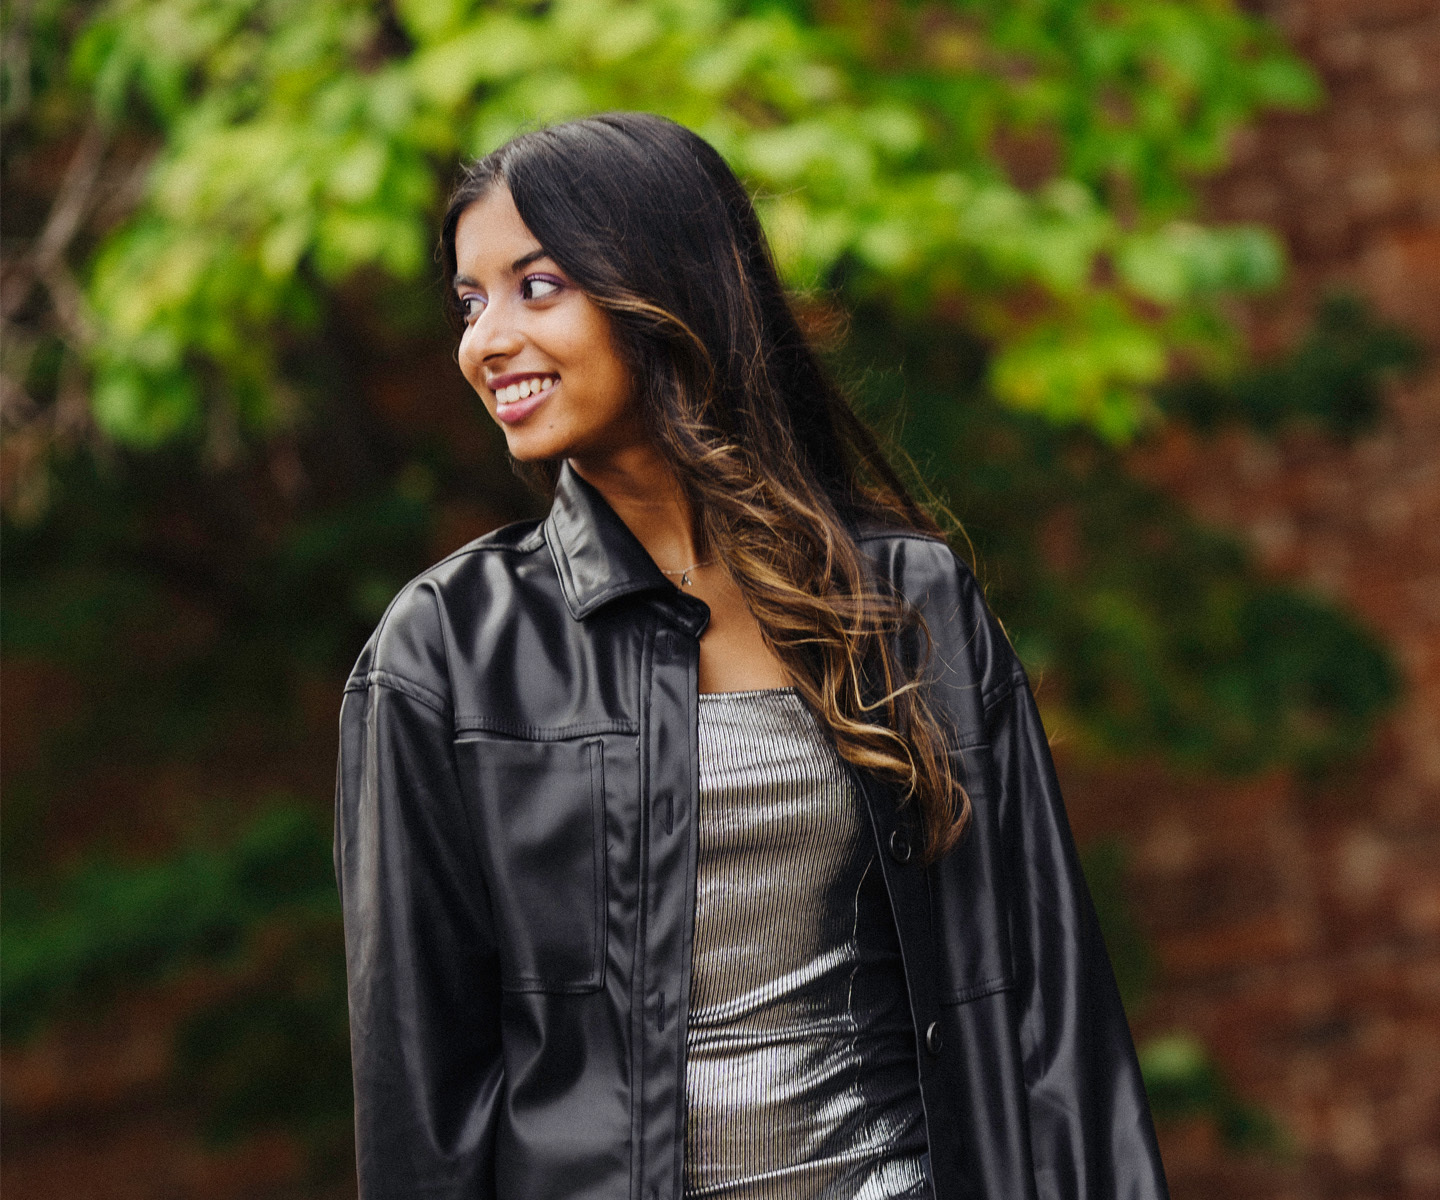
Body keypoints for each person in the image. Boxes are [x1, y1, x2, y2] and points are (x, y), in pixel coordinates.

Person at [335, 112, 1169, 1200]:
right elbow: (423, 1106)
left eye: (537, 287)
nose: (486, 340)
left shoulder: (904, 600)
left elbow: (1050, 1018)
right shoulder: (443, 654)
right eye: (470, 300)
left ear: (666, 289)